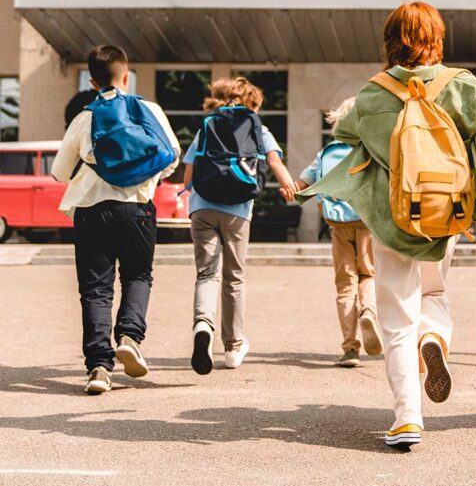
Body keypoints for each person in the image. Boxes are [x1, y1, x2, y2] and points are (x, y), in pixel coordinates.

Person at [297, 2, 476, 450]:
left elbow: (344, 137)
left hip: (393, 217)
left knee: (396, 316)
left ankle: (407, 417)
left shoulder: (373, 94)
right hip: (447, 212)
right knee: (434, 291)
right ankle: (433, 337)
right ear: (437, 38)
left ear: (391, 41)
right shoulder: (460, 85)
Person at [52, 45, 181, 395]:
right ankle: (129, 336)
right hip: (138, 208)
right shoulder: (148, 109)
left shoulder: (85, 117)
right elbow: (171, 155)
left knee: (95, 289)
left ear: (93, 81)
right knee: (138, 275)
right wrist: (143, 178)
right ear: (127, 76)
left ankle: (98, 368)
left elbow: (58, 172)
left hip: (92, 210)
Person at [182, 77, 297, 375]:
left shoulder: (206, 125)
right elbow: (274, 162)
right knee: (234, 278)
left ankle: (202, 326)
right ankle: (232, 347)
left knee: (207, 273)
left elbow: (188, 176)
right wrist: (289, 188)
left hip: (202, 208)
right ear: (252, 102)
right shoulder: (258, 127)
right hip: (238, 210)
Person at [294, 98, 382, 368]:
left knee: (346, 285)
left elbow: (301, 184)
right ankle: (368, 310)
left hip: (337, 224)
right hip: (367, 220)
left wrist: (291, 189)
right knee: (368, 274)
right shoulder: (369, 150)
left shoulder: (326, 153)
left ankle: (350, 348)